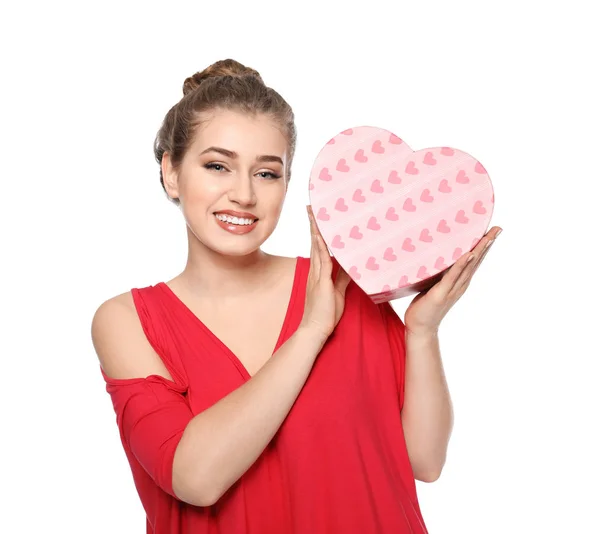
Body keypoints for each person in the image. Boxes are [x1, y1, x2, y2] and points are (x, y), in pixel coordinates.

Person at [91, 58, 502, 534]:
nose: (243, 194)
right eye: (217, 166)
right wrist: (310, 333)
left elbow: (425, 460)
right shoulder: (128, 320)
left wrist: (422, 331)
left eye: (267, 173)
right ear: (171, 173)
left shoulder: (345, 283)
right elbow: (195, 477)